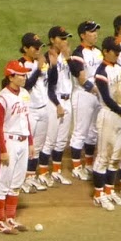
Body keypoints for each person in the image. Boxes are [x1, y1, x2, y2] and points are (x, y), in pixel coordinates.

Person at [0, 61, 32, 232]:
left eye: (24, 74)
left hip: (23, 141)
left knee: (16, 182)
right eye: (20, 75)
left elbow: (26, 119)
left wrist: (30, 142)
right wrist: (2, 150)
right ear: (10, 77)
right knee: (3, 182)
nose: (24, 77)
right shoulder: (1, 99)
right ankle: (0, 221)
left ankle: (10, 218)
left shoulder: (24, 93)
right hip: (9, 142)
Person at [91, 36, 121, 209]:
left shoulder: (120, 69)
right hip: (108, 115)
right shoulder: (101, 72)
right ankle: (99, 194)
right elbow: (106, 97)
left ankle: (109, 190)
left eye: (119, 52)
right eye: (115, 51)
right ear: (105, 52)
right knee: (104, 156)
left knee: (116, 157)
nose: (118, 55)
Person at [67, 20, 103, 181]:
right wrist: (96, 89)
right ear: (83, 35)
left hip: (97, 95)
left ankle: (88, 164)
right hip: (84, 94)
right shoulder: (78, 53)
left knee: (93, 132)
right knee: (80, 131)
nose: (95, 34)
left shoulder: (98, 52)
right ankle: (76, 166)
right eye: (91, 31)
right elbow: (81, 78)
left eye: (96, 31)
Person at [17, 32, 52, 191]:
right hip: (29, 111)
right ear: (25, 48)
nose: (39, 49)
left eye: (40, 46)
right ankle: (20, 179)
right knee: (26, 147)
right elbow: (25, 87)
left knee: (37, 146)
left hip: (44, 108)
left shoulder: (41, 62)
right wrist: (38, 69)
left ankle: (30, 176)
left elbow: (49, 83)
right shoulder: (20, 65)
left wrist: (52, 66)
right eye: (35, 47)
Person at [40, 27, 73, 185]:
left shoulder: (65, 56)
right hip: (54, 101)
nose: (65, 41)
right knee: (50, 140)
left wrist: (69, 59)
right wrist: (58, 104)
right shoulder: (48, 58)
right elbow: (49, 86)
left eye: (66, 38)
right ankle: (43, 172)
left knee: (61, 140)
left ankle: (56, 171)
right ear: (52, 40)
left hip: (68, 100)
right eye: (61, 38)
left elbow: (74, 74)